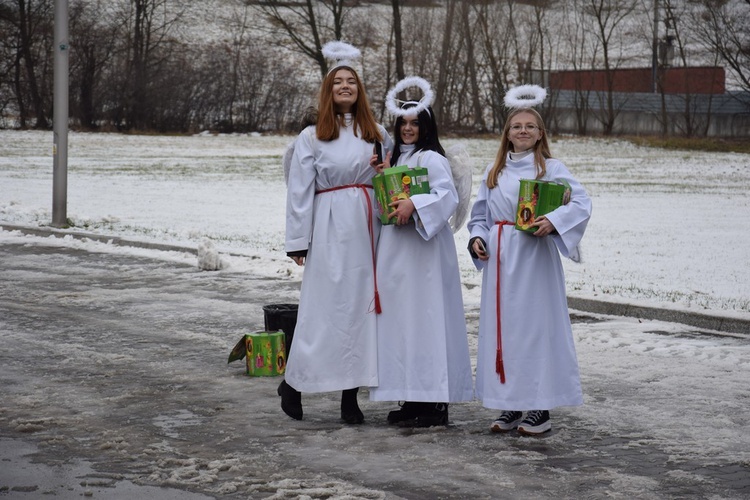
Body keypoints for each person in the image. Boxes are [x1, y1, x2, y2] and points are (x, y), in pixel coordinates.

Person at [281, 43, 393, 425]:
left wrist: (384, 175)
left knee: (362, 313)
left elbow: (390, 182)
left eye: (351, 82)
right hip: (328, 227)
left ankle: (351, 397)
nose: (345, 87)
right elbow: (299, 190)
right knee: (323, 311)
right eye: (337, 82)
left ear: (359, 90)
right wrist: (298, 240)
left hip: (367, 229)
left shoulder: (376, 133)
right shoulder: (312, 136)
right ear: (328, 91)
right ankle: (293, 384)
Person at [467, 104, 592, 436]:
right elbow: (479, 216)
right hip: (500, 259)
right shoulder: (493, 172)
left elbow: (581, 202)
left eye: (530, 126)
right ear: (507, 134)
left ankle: (540, 406)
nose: (523, 131)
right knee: (505, 331)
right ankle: (511, 402)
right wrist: (478, 238)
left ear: (540, 134)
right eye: (516, 126)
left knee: (534, 328)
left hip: (534, 257)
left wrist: (553, 220)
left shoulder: (550, 168)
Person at [369, 98, 473, 427]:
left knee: (428, 322)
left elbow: (447, 195)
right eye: (403, 123)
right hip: (398, 252)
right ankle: (411, 396)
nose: (408, 129)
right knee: (404, 324)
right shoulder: (394, 157)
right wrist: (383, 180)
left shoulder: (432, 158)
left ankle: (434, 402)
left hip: (426, 255)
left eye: (415, 123)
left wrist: (413, 204)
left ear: (425, 126)